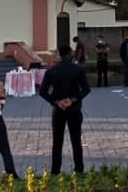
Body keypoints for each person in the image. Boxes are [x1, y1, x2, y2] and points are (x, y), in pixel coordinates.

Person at [39, 45, 91, 174]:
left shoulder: (51, 71)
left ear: (59, 55)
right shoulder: (78, 69)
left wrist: (56, 101)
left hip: (58, 109)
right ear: (70, 54)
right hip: (74, 108)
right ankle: (79, 169)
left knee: (57, 142)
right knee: (76, 140)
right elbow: (86, 89)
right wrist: (72, 100)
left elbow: (43, 92)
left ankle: (55, 171)